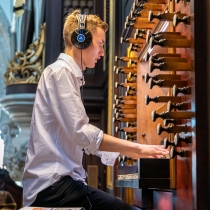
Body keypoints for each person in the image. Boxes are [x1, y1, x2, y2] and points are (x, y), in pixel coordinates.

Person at [22, 10, 169, 210]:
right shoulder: (60, 72)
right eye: (100, 44)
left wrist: (128, 152)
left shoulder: (66, 75)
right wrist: (137, 148)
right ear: (80, 40)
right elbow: (81, 132)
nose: (102, 52)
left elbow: (81, 136)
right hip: (53, 185)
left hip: (57, 184)